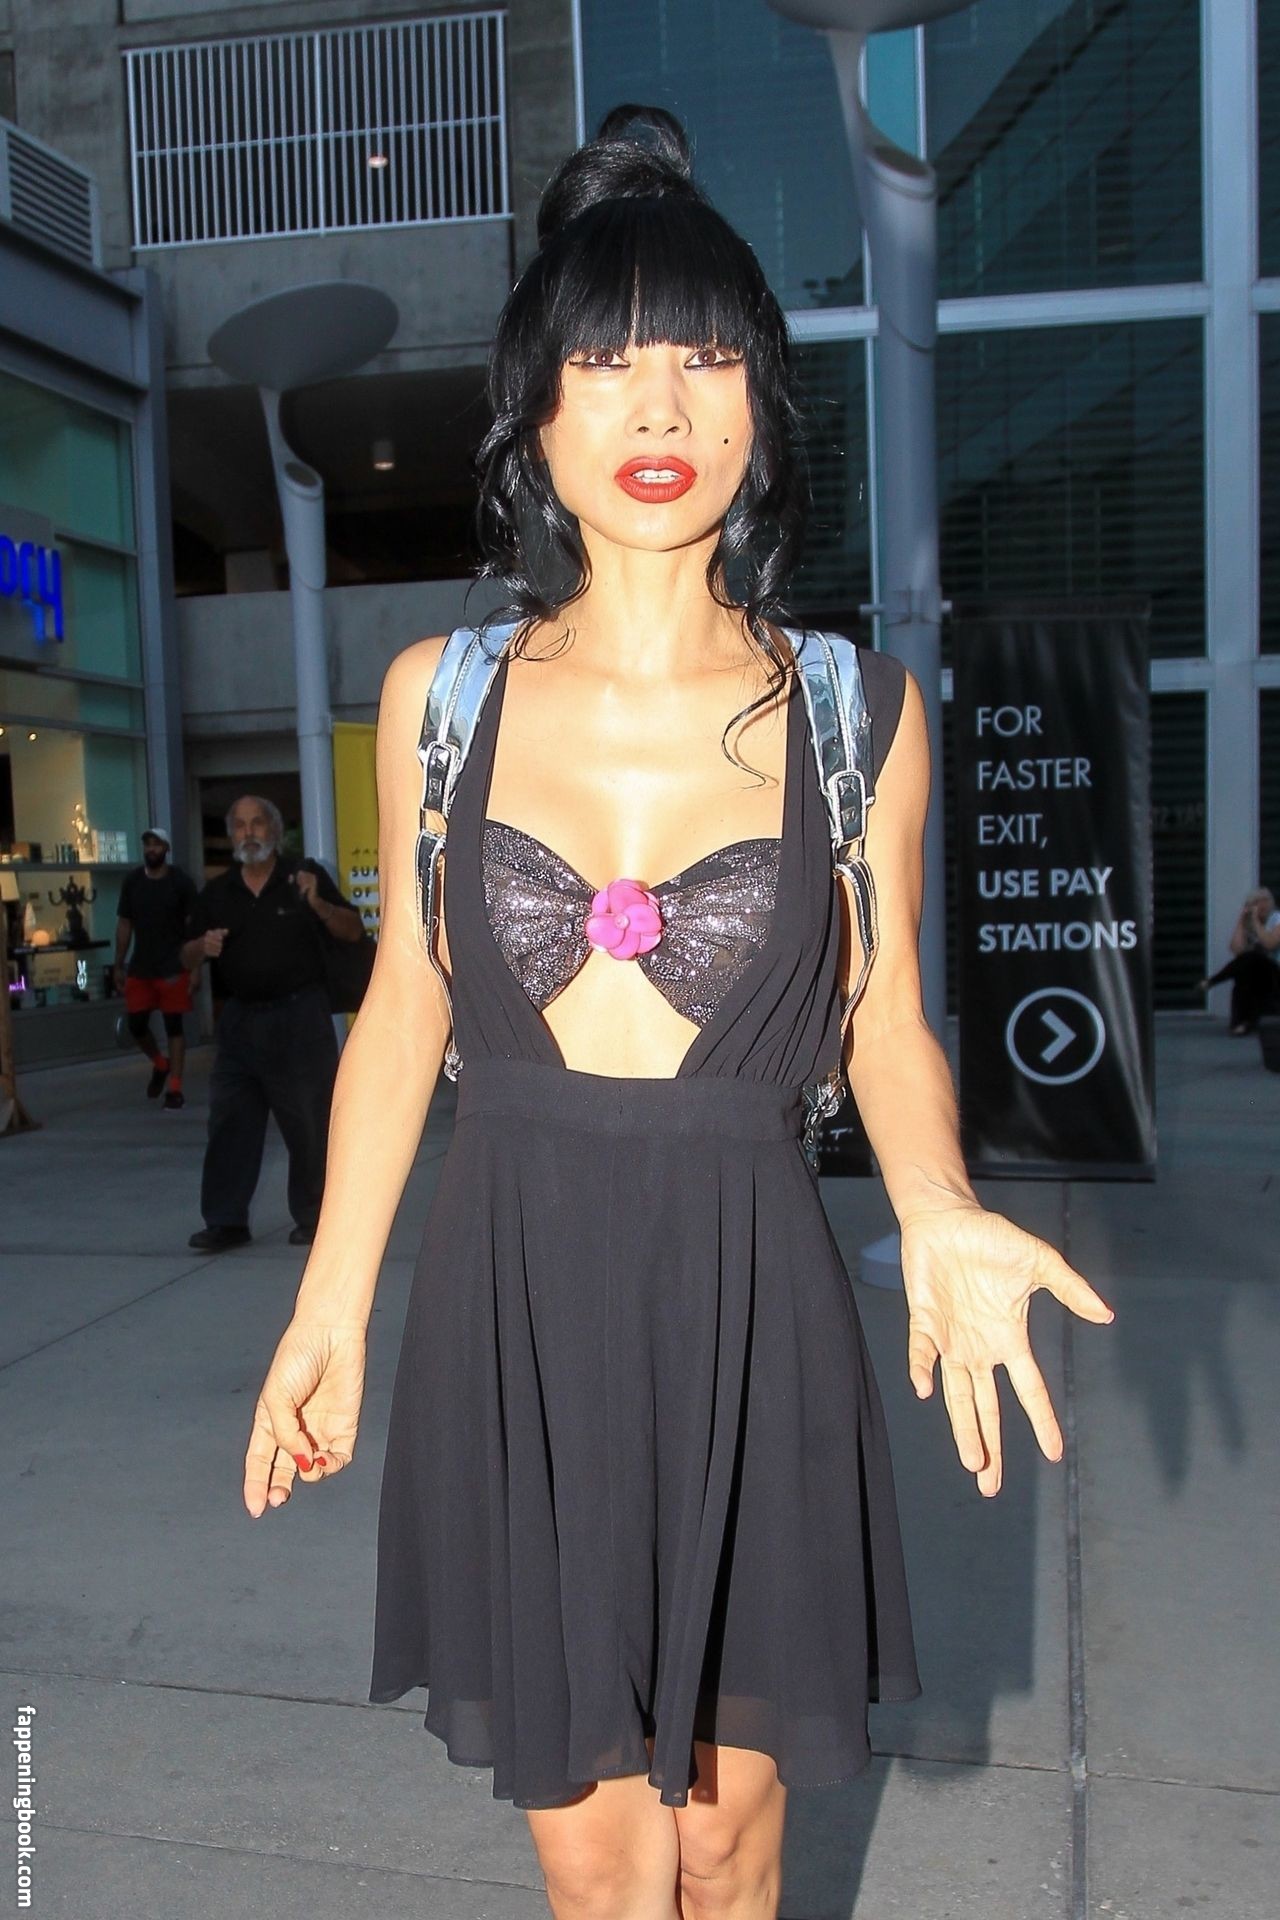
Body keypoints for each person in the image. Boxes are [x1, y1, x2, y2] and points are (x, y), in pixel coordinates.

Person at [239, 109, 1115, 1920]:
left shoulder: (858, 712)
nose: (660, 407)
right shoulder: (440, 699)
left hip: (748, 1296)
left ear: (760, 409)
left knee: (725, 1840)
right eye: (608, 362)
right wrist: (327, 1310)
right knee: (595, 1865)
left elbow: (886, 1017)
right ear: (535, 413)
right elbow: (404, 1006)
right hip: (515, 1301)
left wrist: (941, 1201)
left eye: (707, 361)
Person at [180, 795, 363, 1252]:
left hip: (299, 1018)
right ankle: (225, 1221)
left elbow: (353, 930)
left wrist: (318, 904)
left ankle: (315, 1217)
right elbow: (184, 955)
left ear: (275, 831)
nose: (249, 833)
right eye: (240, 825)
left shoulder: (303, 877)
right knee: (230, 1122)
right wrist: (202, 947)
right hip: (240, 1021)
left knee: (309, 1122)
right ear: (231, 835)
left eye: (258, 823)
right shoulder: (217, 893)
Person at [112, 826, 198, 1110]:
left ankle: (175, 1088)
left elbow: (194, 927)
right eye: (148, 844)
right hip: (141, 966)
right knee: (136, 1024)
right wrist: (118, 964)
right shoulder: (133, 881)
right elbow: (125, 923)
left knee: (174, 1025)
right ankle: (160, 1064)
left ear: (167, 849)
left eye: (157, 844)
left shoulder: (181, 882)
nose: (151, 849)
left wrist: (195, 967)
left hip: (174, 965)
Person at [1197, 887, 1280, 1035]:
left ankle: (1213, 981)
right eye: (1257, 901)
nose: (1262, 905)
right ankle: (1240, 1024)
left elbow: (1270, 944)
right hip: (1259, 978)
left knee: (1252, 957)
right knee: (1243, 975)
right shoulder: (1249, 924)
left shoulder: (1277, 918)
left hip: (1276, 974)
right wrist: (1241, 920)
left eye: (1266, 900)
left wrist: (1255, 921)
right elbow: (1237, 950)